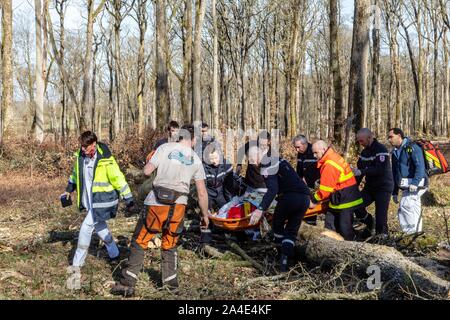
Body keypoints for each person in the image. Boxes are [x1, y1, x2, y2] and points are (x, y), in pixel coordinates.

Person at [111, 124, 209, 297]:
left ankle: (128, 283)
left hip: (156, 203)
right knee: (170, 244)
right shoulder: (195, 159)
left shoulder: (164, 148)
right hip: (178, 205)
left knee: (140, 241)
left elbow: (147, 171)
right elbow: (202, 192)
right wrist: (205, 215)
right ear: (193, 139)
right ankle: (171, 286)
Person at [64, 131, 134, 286]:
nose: (83, 149)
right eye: (81, 146)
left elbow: (118, 178)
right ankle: (114, 252)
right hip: (89, 201)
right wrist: (68, 190)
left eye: (86, 146)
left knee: (85, 229)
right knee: (100, 227)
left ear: (94, 144)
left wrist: (128, 197)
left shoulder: (106, 159)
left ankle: (76, 266)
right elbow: (75, 175)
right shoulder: (80, 157)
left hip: (102, 201)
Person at [247, 146, 310, 272]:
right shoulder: (279, 160)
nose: (251, 163)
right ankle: (287, 258)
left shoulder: (266, 165)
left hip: (288, 197)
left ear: (255, 157)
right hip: (304, 197)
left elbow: (272, 190)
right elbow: (295, 178)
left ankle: (281, 257)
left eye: (251, 159)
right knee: (291, 231)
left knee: (277, 225)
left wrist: (260, 209)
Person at [310, 140, 363, 240]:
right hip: (340, 196)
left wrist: (313, 200)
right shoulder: (332, 156)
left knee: (345, 229)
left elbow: (325, 191)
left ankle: (353, 248)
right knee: (329, 226)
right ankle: (330, 247)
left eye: (316, 153)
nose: (314, 156)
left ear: (323, 149)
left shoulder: (329, 164)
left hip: (345, 199)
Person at [353, 128, 394, 237]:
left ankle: (382, 236)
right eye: (359, 141)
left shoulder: (381, 150)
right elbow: (359, 171)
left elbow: (380, 169)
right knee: (355, 204)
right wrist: (353, 188)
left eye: (362, 141)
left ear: (369, 138)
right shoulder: (364, 152)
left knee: (380, 214)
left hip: (383, 187)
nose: (360, 143)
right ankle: (368, 221)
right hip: (370, 187)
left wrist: (362, 171)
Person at [388, 128, 428, 234]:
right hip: (407, 185)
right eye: (388, 137)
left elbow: (420, 167)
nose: (389, 140)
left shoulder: (412, 147)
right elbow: (395, 173)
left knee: (405, 206)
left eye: (391, 137)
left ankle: (410, 233)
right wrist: (395, 192)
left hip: (418, 183)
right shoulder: (395, 152)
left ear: (399, 136)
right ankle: (417, 232)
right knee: (413, 207)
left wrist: (415, 183)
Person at [292, 134, 320, 225]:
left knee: (314, 207)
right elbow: (299, 169)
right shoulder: (300, 153)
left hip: (317, 185)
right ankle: (308, 224)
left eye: (298, 147)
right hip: (305, 186)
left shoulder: (314, 151)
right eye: (295, 147)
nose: (296, 150)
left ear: (304, 144)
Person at [203, 143, 234, 212]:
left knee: (226, 210)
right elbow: (203, 188)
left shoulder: (227, 164)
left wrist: (230, 201)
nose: (214, 161)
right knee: (207, 212)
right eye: (211, 159)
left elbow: (229, 186)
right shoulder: (204, 167)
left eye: (216, 158)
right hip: (209, 192)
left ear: (220, 155)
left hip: (221, 191)